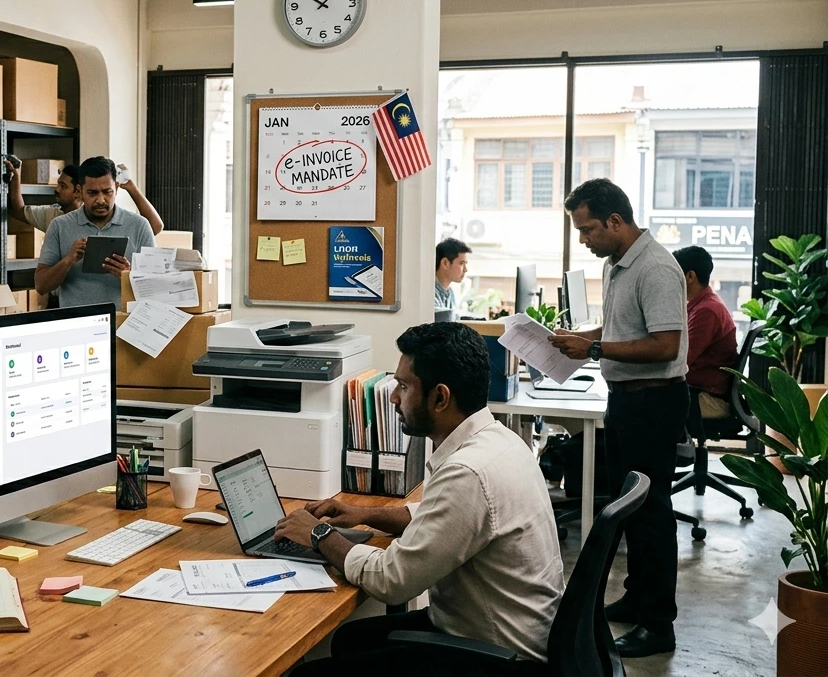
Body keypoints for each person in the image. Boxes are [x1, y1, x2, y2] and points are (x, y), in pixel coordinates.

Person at [277, 323, 562, 676]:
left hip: (496, 658)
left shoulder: (468, 473)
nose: (394, 398)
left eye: (403, 386)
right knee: (350, 639)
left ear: (440, 398)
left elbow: (392, 581)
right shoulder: (499, 441)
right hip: (505, 632)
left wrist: (319, 536)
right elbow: (447, 519)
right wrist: (363, 514)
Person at [549, 178, 687, 658]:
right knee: (628, 506)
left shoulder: (656, 268)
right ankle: (636, 597)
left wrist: (594, 348)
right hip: (627, 399)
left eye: (587, 230)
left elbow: (665, 344)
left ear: (615, 221)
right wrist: (579, 337)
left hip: (654, 402)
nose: (583, 240)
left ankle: (658, 624)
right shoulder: (616, 266)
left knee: (652, 515)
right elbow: (620, 328)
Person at [34, 156, 156, 309]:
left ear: (117, 188)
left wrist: (128, 275)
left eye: (107, 192)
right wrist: (69, 260)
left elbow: (156, 290)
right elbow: (41, 286)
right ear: (79, 191)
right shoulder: (60, 226)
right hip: (77, 326)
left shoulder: (140, 226)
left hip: (123, 326)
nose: (100, 200)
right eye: (92, 193)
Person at [6, 155, 165, 235]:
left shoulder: (104, 213)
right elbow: (18, 211)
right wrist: (16, 177)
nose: (57, 190)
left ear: (78, 191)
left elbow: (155, 227)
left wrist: (131, 188)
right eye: (93, 192)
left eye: (63, 186)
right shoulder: (54, 218)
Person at [673, 245, 739, 420]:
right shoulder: (699, 305)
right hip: (699, 390)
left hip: (708, 398)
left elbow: (679, 361)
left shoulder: (706, 311)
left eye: (673, 274)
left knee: (640, 406)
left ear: (690, 276)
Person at [434, 237, 471, 312]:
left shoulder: (449, 293)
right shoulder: (428, 293)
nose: (465, 270)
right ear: (445, 263)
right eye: (461, 264)